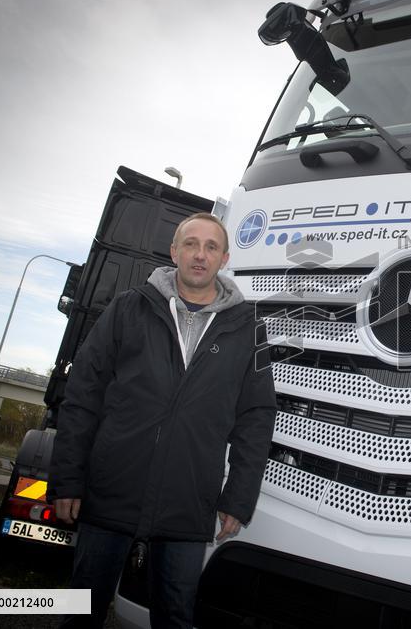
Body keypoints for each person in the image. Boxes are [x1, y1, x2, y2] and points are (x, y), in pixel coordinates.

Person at [50, 212, 276, 628]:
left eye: (211, 247)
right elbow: (82, 396)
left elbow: (257, 418)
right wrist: (67, 479)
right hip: (110, 493)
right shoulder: (128, 308)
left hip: (188, 505)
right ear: (174, 251)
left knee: (175, 618)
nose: (199, 255)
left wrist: (239, 497)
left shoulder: (249, 331)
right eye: (190, 244)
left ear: (224, 258)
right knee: (80, 614)